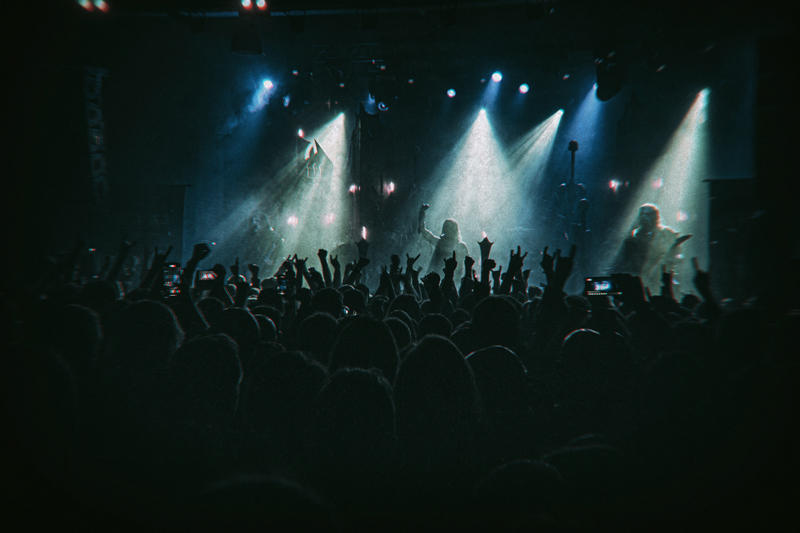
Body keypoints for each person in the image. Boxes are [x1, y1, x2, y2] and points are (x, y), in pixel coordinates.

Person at [611, 203, 691, 293]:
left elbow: (679, 255)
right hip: (640, 279)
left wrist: (670, 260)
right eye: (642, 214)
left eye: (648, 214)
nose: (644, 217)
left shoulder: (667, 233)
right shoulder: (633, 236)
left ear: (655, 217)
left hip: (662, 278)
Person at [418, 204, 469, 280]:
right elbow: (423, 231)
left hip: (454, 279)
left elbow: (468, 264)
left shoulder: (461, 246)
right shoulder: (440, 243)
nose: (448, 230)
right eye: (446, 227)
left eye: (450, 228)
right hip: (437, 277)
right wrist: (422, 214)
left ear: (454, 230)